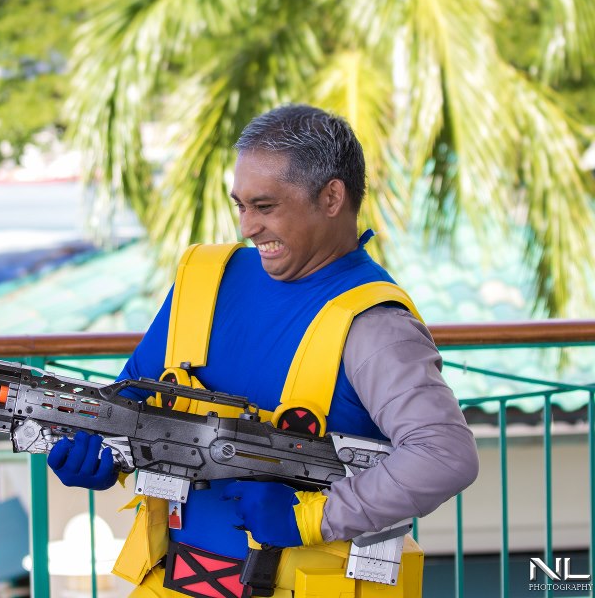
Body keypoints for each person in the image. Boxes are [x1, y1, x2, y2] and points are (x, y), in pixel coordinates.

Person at [48, 104, 479, 597]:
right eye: (241, 206)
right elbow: (133, 399)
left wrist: (310, 518)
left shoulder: (374, 323)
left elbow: (445, 455)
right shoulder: (204, 280)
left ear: (331, 197)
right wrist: (102, 452)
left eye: (266, 206)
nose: (248, 227)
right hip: (170, 580)